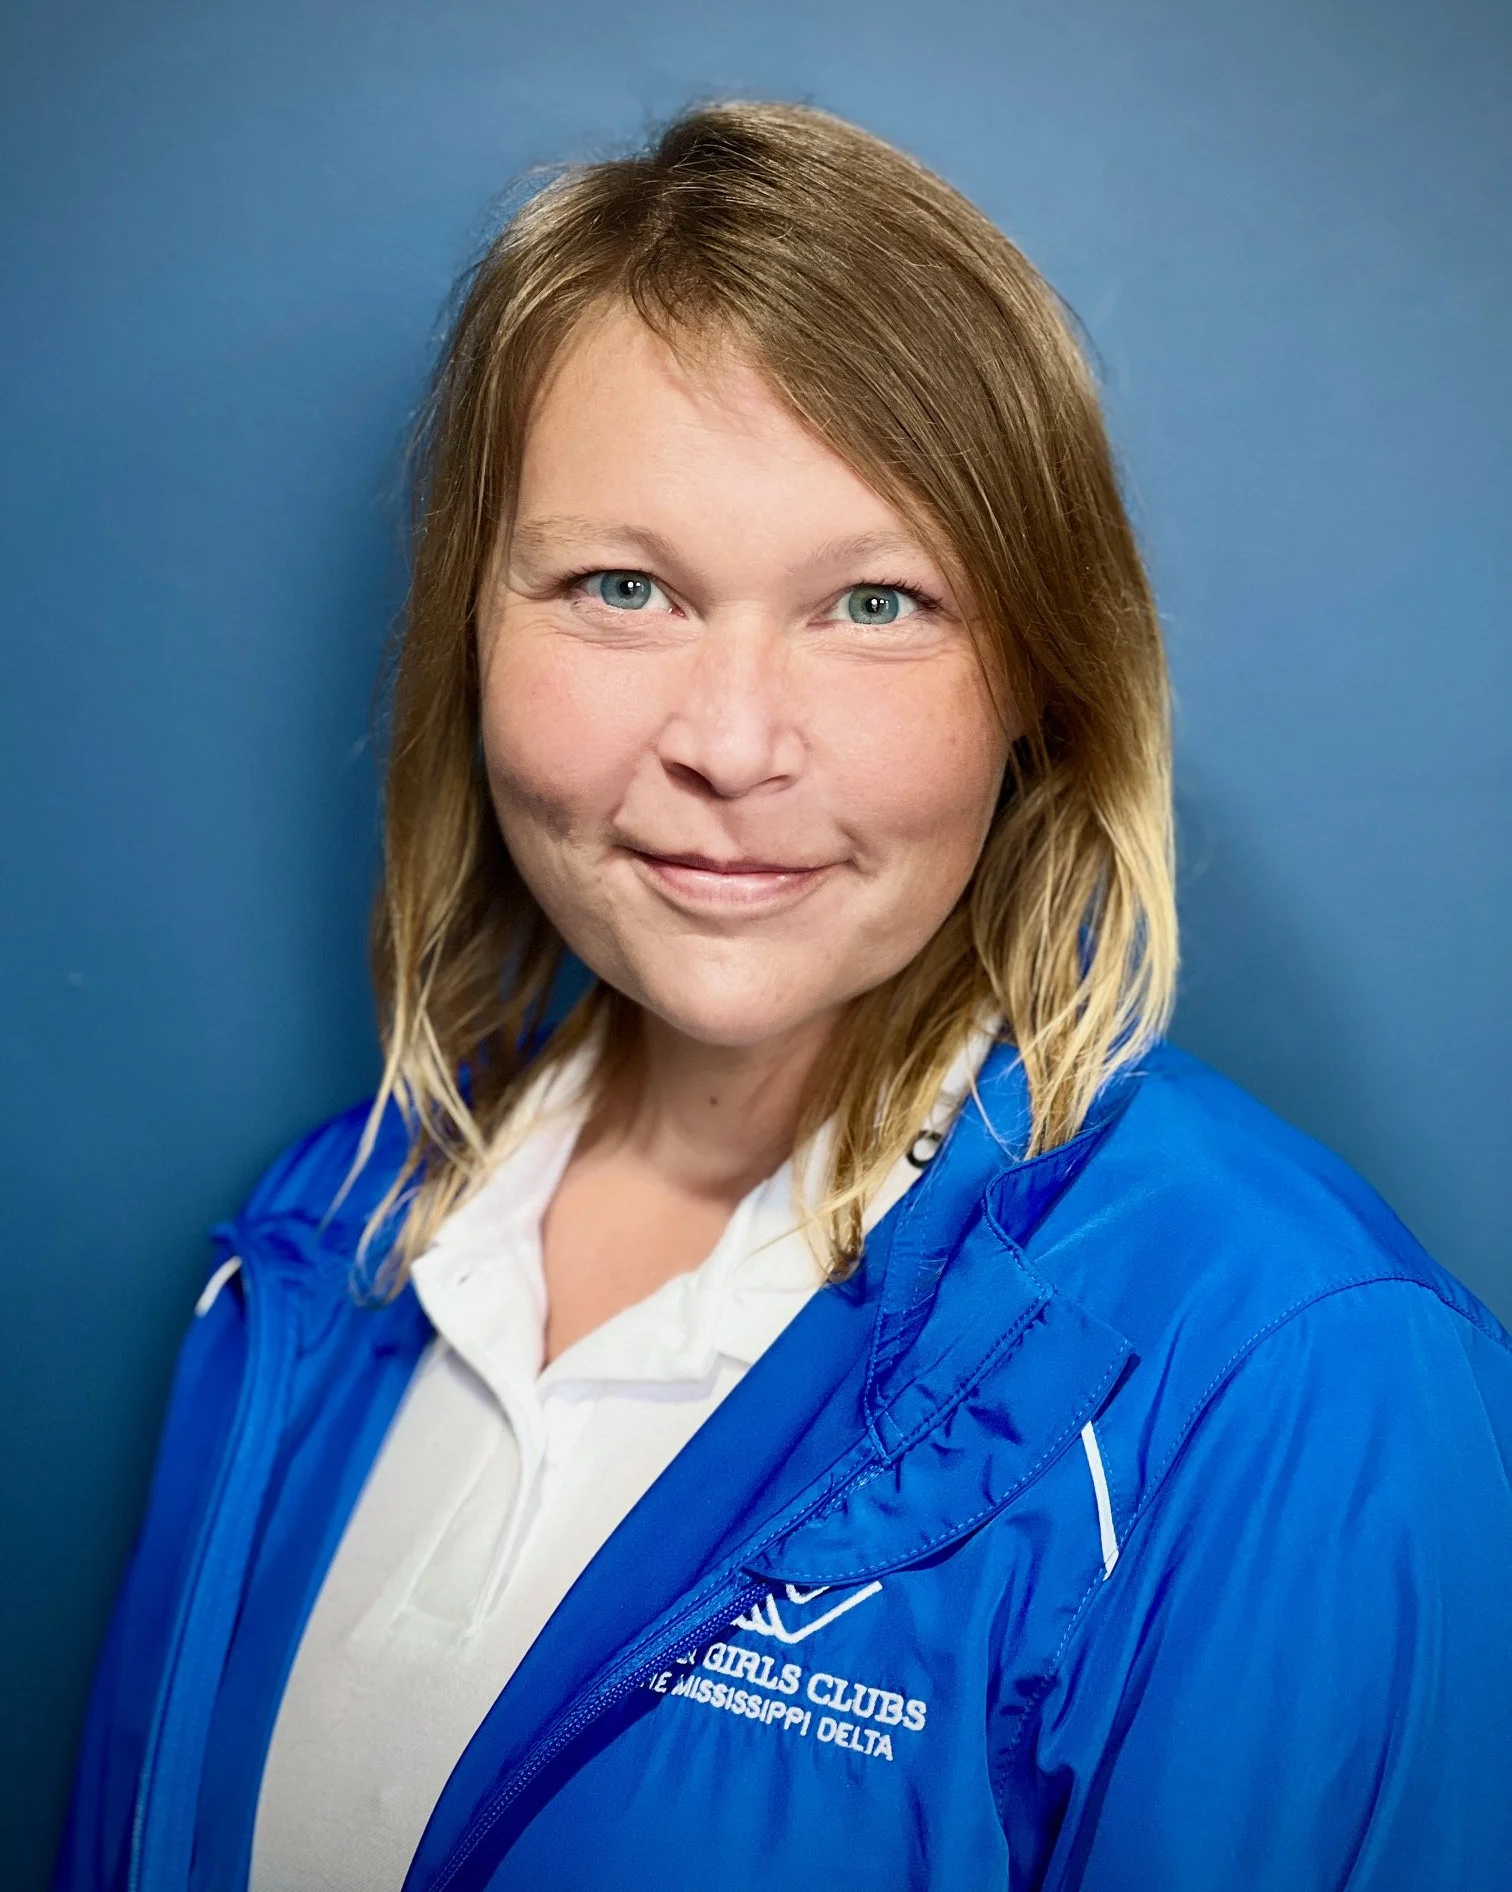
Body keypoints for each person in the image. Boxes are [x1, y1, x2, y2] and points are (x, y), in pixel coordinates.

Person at [58, 102, 1512, 1892]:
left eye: (877, 605)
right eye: (622, 586)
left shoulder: (1293, 1375)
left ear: (1043, 680)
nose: (731, 747)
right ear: (471, 630)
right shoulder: (314, 1250)